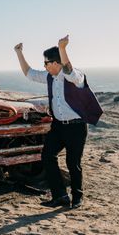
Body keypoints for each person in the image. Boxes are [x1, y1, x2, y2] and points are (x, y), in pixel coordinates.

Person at [14, 35, 103, 209]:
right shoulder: (49, 76)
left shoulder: (75, 76)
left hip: (76, 127)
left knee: (73, 162)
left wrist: (63, 48)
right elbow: (29, 73)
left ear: (55, 63)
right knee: (47, 156)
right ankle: (60, 196)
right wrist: (19, 53)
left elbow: (69, 70)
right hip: (58, 126)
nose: (44, 66)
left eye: (46, 63)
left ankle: (77, 197)